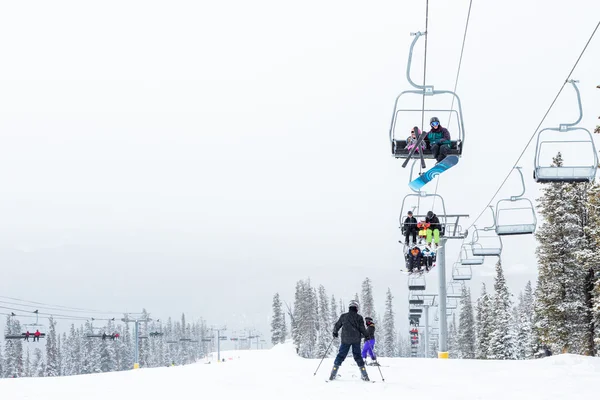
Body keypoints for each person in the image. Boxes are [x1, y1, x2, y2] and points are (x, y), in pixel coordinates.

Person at [329, 300, 370, 381]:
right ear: (356, 308)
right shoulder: (359, 317)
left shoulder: (344, 316)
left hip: (345, 339)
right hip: (356, 340)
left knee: (341, 355)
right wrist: (366, 335)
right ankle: (364, 375)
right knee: (358, 356)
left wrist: (335, 332)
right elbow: (362, 328)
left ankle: (333, 374)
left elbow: (337, 325)